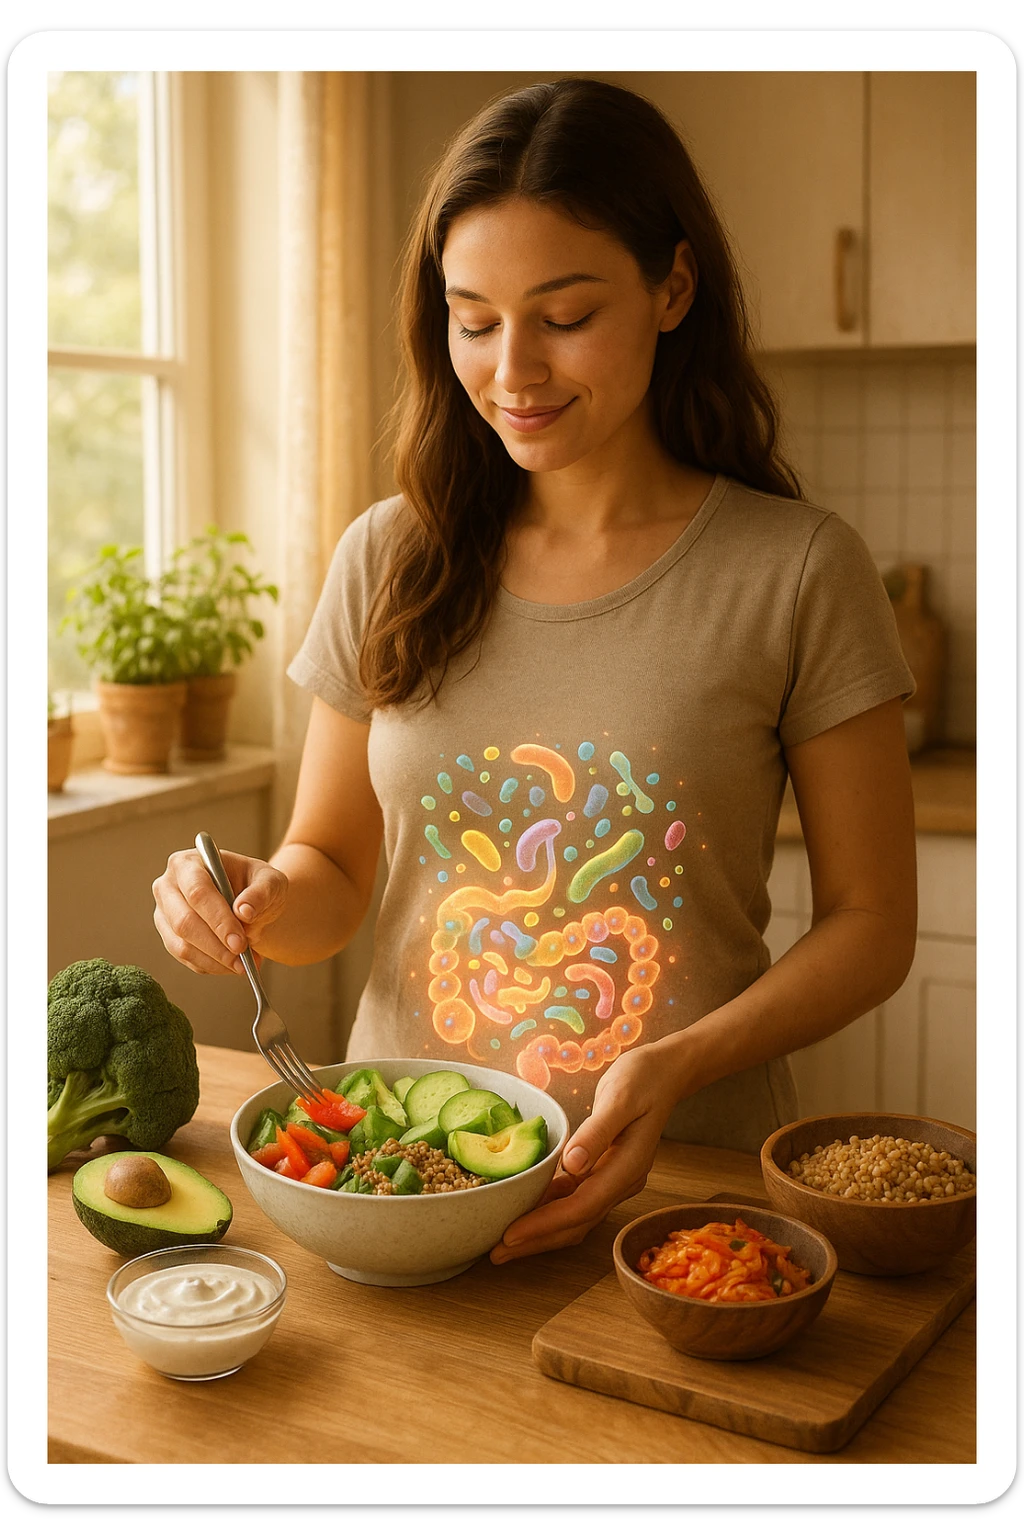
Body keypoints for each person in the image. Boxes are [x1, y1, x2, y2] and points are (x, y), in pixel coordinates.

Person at [152, 77, 918, 1264]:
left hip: (684, 1195)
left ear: (672, 287)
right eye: (473, 317)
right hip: (393, 1179)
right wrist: (250, 899)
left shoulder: (798, 567)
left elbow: (872, 926)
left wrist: (673, 1063)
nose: (512, 368)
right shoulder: (388, 553)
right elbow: (335, 874)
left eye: (563, 316)